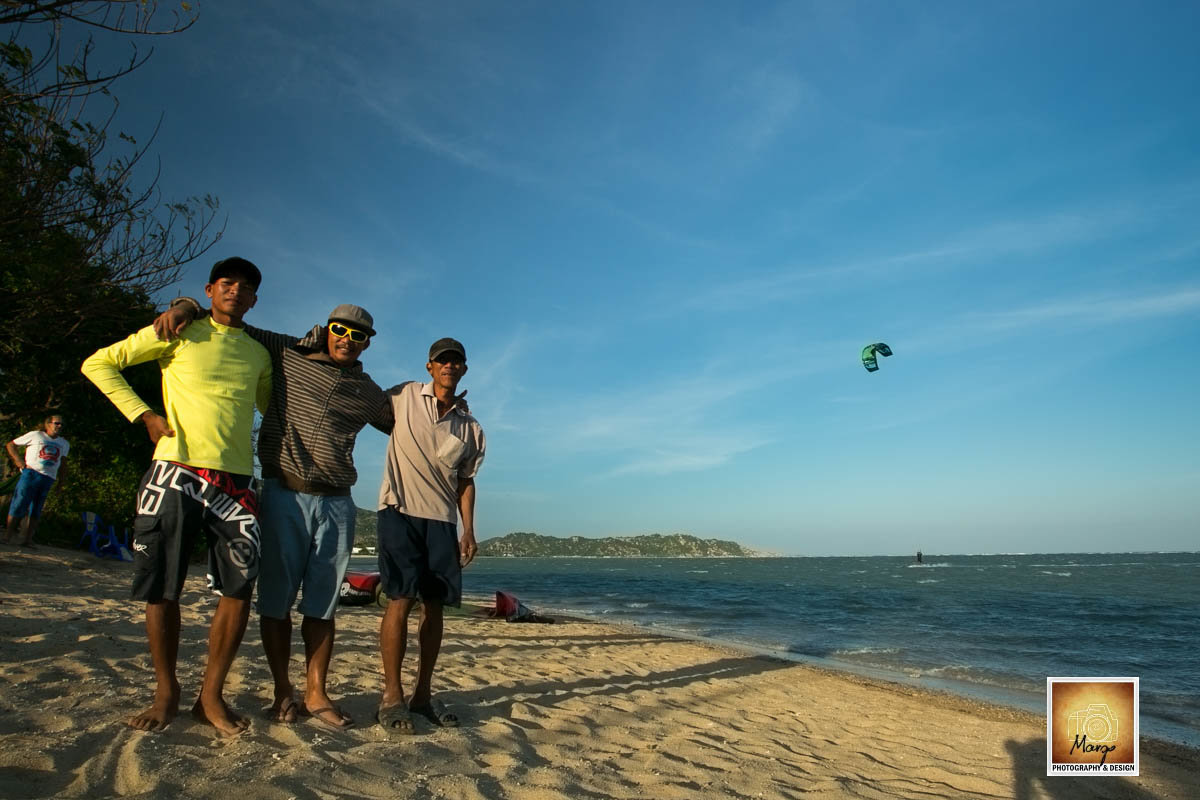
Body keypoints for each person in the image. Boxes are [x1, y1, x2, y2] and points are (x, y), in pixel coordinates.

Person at [154, 299, 393, 729]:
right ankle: (284, 690)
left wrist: (438, 398)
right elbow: (232, 323)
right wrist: (186, 304)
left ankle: (316, 692)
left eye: (359, 336)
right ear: (327, 329)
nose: (348, 340)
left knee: (322, 606)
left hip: (338, 502)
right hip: (283, 493)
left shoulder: (368, 393)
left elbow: (405, 422)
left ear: (367, 344)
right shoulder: (287, 352)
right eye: (342, 330)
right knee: (276, 603)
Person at [81, 257, 272, 737]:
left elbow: (273, 412)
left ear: (253, 299)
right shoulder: (177, 330)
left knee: (238, 589)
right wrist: (143, 414)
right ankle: (166, 692)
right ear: (210, 290)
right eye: (227, 283)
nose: (236, 291)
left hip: (236, 482)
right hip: (174, 469)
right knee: (162, 586)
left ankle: (211, 695)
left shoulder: (259, 353)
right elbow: (99, 363)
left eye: (246, 287)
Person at [376, 337, 485, 735]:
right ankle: (391, 696)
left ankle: (422, 695)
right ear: (429, 367)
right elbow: (359, 400)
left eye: (456, 362)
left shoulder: (471, 427)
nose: (449, 367)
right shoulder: (403, 396)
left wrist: (469, 528)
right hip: (399, 511)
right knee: (399, 600)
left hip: (442, 521)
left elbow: (466, 481)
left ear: (464, 370)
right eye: (442, 361)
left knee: (435, 607)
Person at [3, 414, 69, 547]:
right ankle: (7, 536)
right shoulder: (36, 435)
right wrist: (18, 461)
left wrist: (61, 482)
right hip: (31, 474)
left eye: (61, 424)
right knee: (20, 503)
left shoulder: (64, 443)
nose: (59, 426)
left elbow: (63, 463)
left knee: (37, 508)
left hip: (48, 477)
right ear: (48, 424)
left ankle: (27, 539)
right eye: (57, 423)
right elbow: (11, 445)